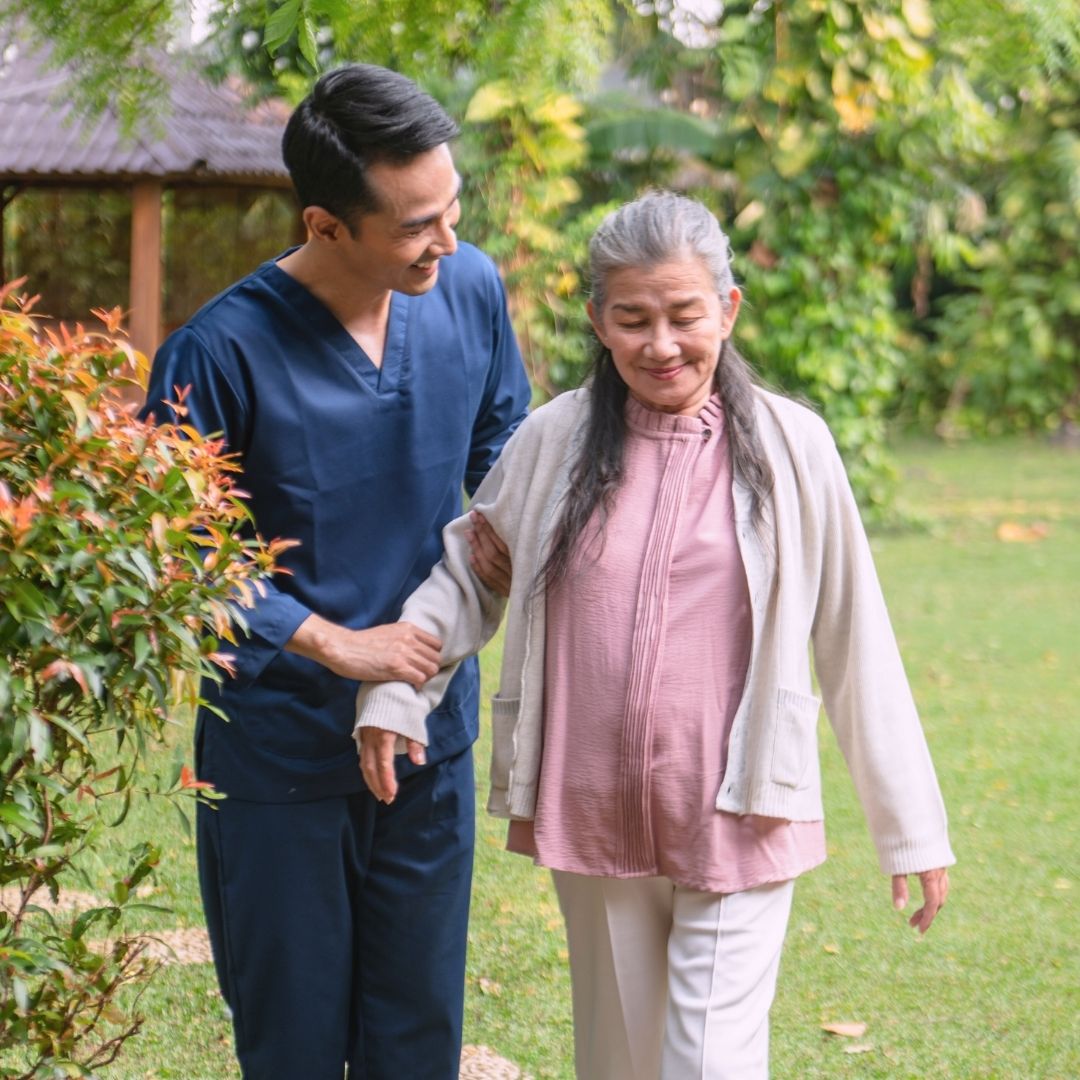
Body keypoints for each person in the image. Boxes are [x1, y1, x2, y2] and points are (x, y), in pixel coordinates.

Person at [355, 191, 955, 1080]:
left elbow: (854, 633)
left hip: (743, 807)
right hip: (592, 809)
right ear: (599, 320)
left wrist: (911, 828)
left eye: (684, 316)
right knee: (620, 1061)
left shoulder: (797, 448)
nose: (661, 345)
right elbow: (470, 578)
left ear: (728, 308)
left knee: (707, 1062)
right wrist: (397, 690)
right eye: (633, 319)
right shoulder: (552, 440)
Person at [140, 64, 531, 1080]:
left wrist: (499, 527)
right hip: (279, 757)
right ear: (325, 225)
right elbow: (175, 553)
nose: (446, 242)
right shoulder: (214, 354)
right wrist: (331, 642)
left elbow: (505, 440)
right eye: (415, 226)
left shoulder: (469, 291)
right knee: (296, 1046)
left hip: (427, 736)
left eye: (452, 209)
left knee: (416, 1040)